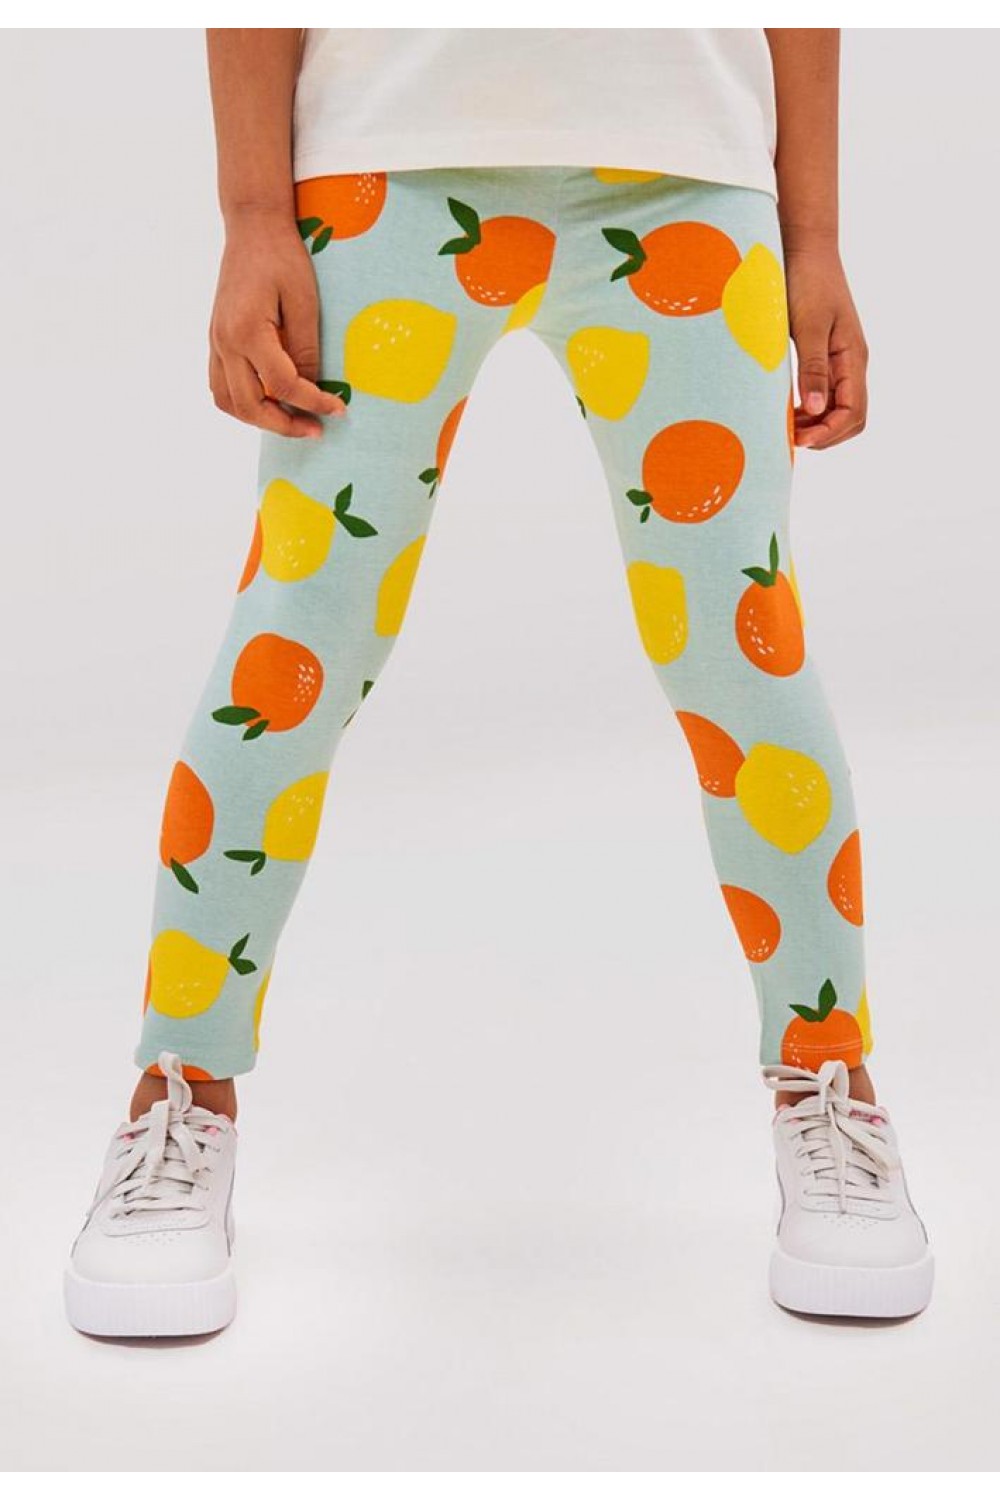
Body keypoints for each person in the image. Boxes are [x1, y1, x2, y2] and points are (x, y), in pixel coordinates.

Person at [65, 27, 933, 1338]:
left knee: (743, 647)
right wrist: (252, 214)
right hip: (385, 161)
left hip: (688, 167)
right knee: (296, 642)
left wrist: (815, 237)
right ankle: (181, 1087)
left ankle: (828, 1080)